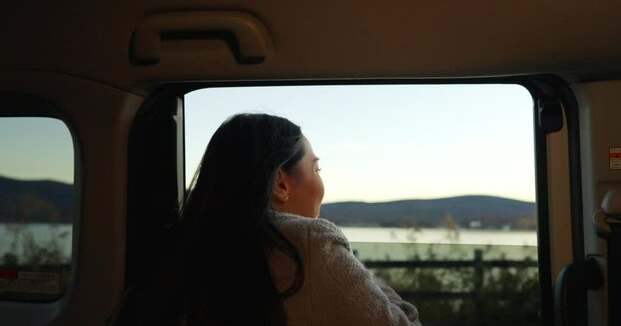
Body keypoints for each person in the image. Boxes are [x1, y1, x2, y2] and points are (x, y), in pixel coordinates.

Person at [110, 113, 421, 326]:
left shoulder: (174, 248)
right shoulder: (309, 245)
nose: (321, 184)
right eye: (316, 169)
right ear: (280, 184)